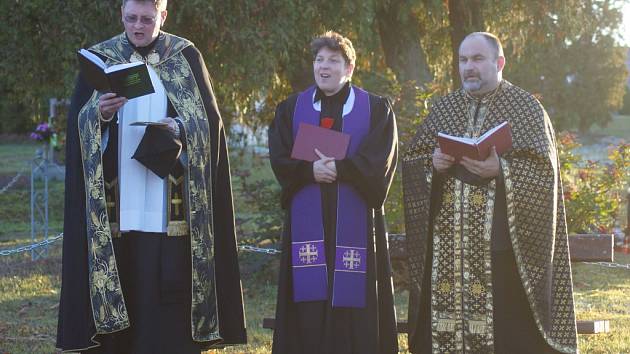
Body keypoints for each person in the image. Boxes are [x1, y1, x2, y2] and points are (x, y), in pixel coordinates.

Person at [56, 0, 246, 353]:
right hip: (118, 199)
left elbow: (209, 123)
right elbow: (77, 123)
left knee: (164, 299)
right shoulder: (104, 57)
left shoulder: (185, 56)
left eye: (147, 19)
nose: (138, 26)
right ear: (121, 16)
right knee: (124, 277)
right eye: (131, 18)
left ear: (163, 16)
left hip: (167, 199)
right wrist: (99, 114)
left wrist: (179, 126)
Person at [402, 32, 578, 354]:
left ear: (499, 63)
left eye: (478, 59)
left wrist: (502, 171)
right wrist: (433, 164)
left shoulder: (526, 109)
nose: (469, 67)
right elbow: (413, 161)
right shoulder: (445, 108)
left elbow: (545, 172)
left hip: (505, 254)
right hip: (449, 255)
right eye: (463, 60)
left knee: (509, 338)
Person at [268, 31, 399, 354]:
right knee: (309, 292)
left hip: (355, 223)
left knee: (352, 291)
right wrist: (308, 171)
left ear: (350, 68)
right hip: (307, 220)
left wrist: (341, 169)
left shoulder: (375, 110)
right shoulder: (291, 109)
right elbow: (280, 156)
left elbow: (380, 159)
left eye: (333, 61)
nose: (324, 67)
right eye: (319, 60)